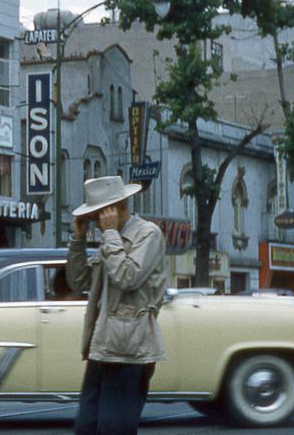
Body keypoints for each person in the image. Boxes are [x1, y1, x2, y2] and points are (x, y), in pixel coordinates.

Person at [66, 176, 167, 435]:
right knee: (87, 427)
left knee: (114, 429)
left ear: (116, 208)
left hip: (129, 349)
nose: (96, 222)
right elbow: (79, 282)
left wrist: (110, 234)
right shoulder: (111, 241)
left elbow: (128, 277)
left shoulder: (147, 234)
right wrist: (77, 242)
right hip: (102, 345)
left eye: (97, 214)